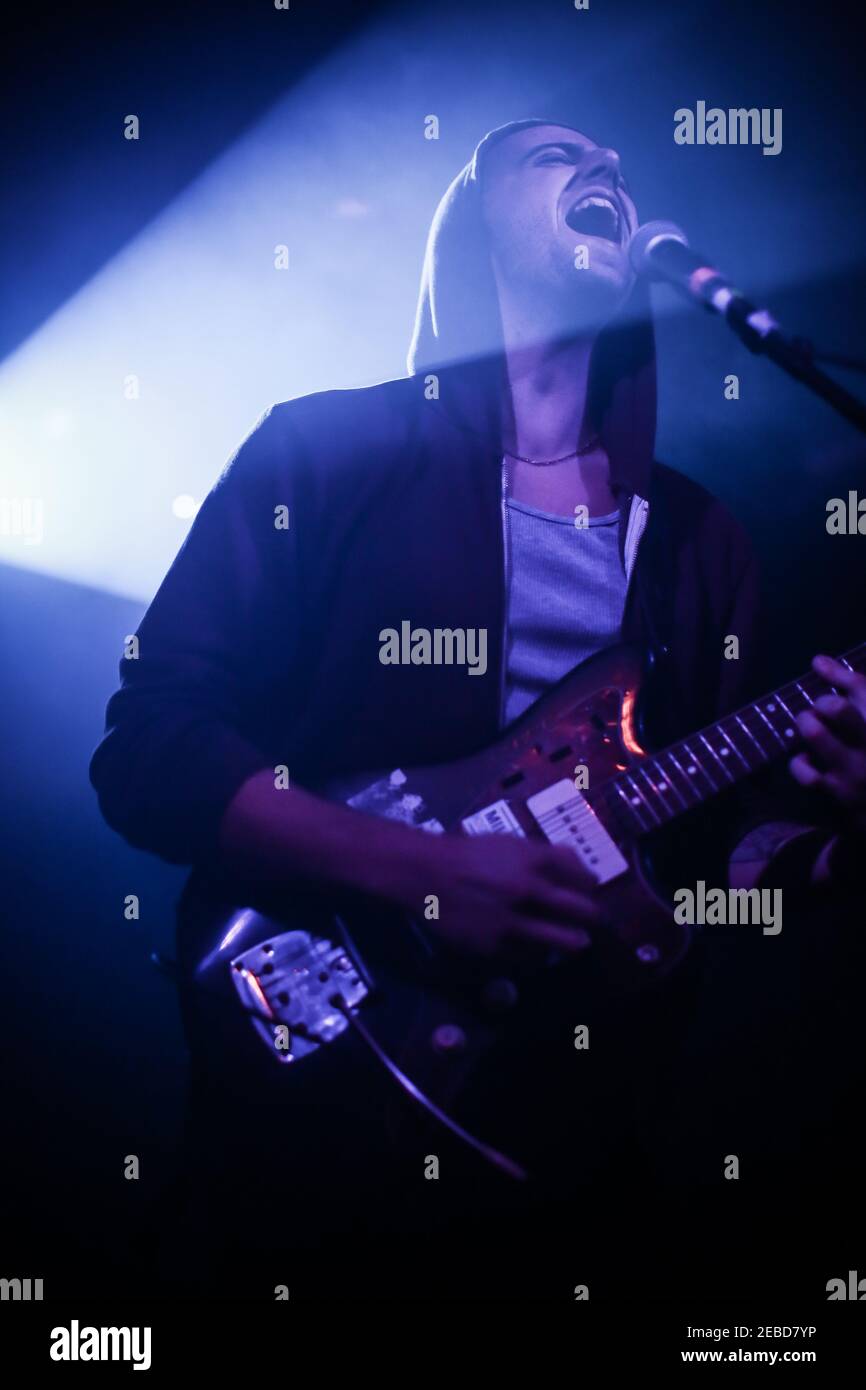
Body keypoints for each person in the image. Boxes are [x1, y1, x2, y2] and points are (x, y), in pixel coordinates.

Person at [90, 121, 866, 1298]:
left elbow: (710, 863)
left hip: (554, 1136)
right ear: (471, 226)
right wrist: (416, 872)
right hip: (313, 1086)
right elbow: (150, 746)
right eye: (553, 157)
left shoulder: (698, 542)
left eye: (614, 162)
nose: (602, 169)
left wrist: (839, 831)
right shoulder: (328, 452)